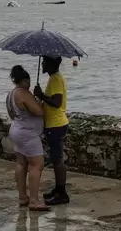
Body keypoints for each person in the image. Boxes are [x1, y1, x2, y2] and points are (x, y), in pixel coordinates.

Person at [6, 65, 50, 211]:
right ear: (23, 80)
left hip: (16, 130)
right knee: (37, 165)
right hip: (28, 134)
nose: (29, 84)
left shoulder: (11, 94)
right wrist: (40, 101)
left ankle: (23, 197)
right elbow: (39, 111)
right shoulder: (23, 93)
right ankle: (34, 201)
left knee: (21, 163)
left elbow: (12, 114)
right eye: (28, 81)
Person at [34, 56, 70, 206]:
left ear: (51, 64)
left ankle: (62, 193)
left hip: (56, 125)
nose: (42, 64)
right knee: (56, 159)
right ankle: (58, 189)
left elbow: (57, 102)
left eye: (44, 61)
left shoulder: (55, 79)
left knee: (57, 160)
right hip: (55, 124)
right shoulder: (54, 78)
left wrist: (41, 95)